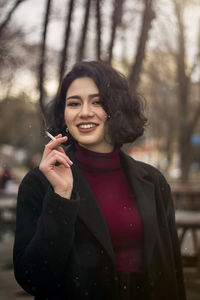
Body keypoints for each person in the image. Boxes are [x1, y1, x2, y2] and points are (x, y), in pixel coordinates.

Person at [13, 61, 186, 300]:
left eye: (97, 101)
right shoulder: (40, 182)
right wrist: (60, 197)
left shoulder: (153, 181)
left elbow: (171, 271)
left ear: (116, 108)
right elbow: (32, 277)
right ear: (64, 113)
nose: (85, 112)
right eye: (74, 103)